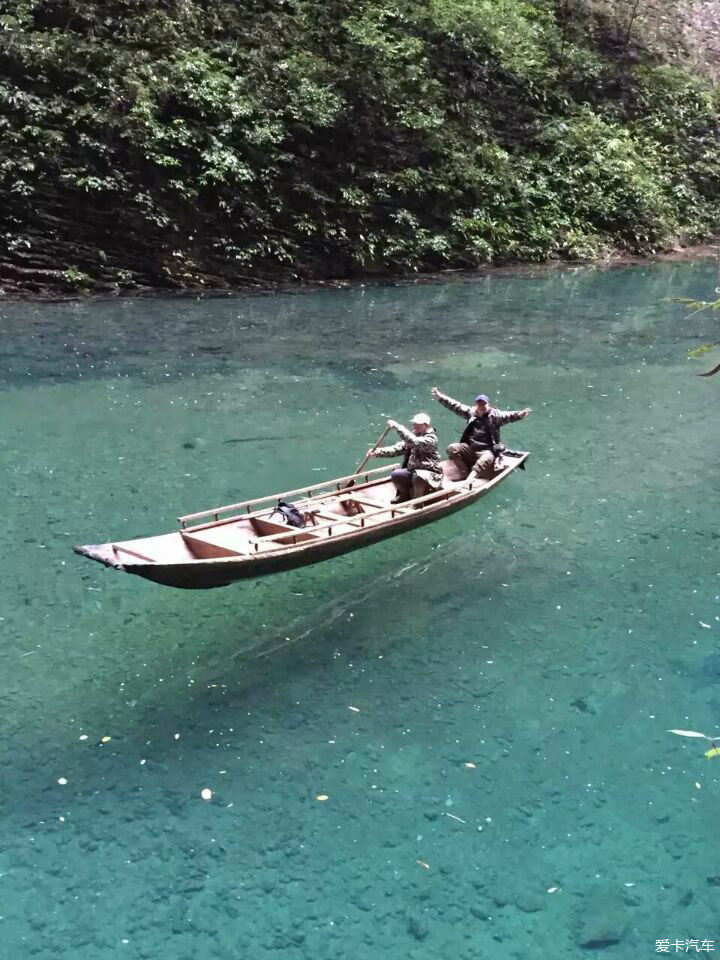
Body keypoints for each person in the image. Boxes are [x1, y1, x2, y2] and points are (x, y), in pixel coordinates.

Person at [431, 387, 531, 479]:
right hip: (469, 447)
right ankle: (463, 470)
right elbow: (455, 406)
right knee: (452, 448)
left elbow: (508, 416)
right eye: (479, 404)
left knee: (486, 458)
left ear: (488, 405)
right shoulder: (471, 413)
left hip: (486, 450)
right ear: (476, 405)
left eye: (484, 404)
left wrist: (519, 415)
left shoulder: (495, 416)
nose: (481, 406)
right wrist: (440, 397)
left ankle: (471, 478)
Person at [368, 413, 444, 503]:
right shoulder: (415, 435)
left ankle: (417, 502)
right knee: (396, 474)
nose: (414, 425)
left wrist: (398, 427)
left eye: (417, 424)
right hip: (414, 471)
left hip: (430, 473)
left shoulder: (431, 439)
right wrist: (377, 452)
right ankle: (405, 495)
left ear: (425, 425)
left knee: (419, 476)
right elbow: (398, 449)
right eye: (414, 423)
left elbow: (414, 442)